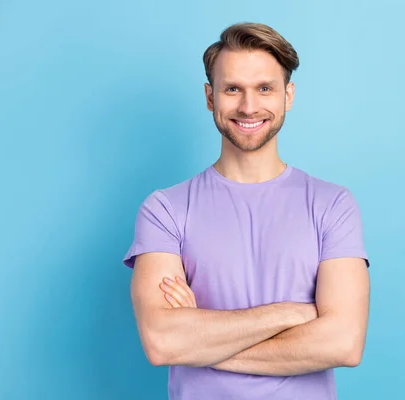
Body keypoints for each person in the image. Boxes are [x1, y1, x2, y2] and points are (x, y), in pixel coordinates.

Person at [123, 22, 371, 400]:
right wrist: (292, 314)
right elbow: (162, 342)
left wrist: (200, 343)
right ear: (210, 97)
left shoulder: (332, 204)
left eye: (265, 88)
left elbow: (343, 344)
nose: (249, 106)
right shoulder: (165, 210)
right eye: (232, 88)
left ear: (288, 95)